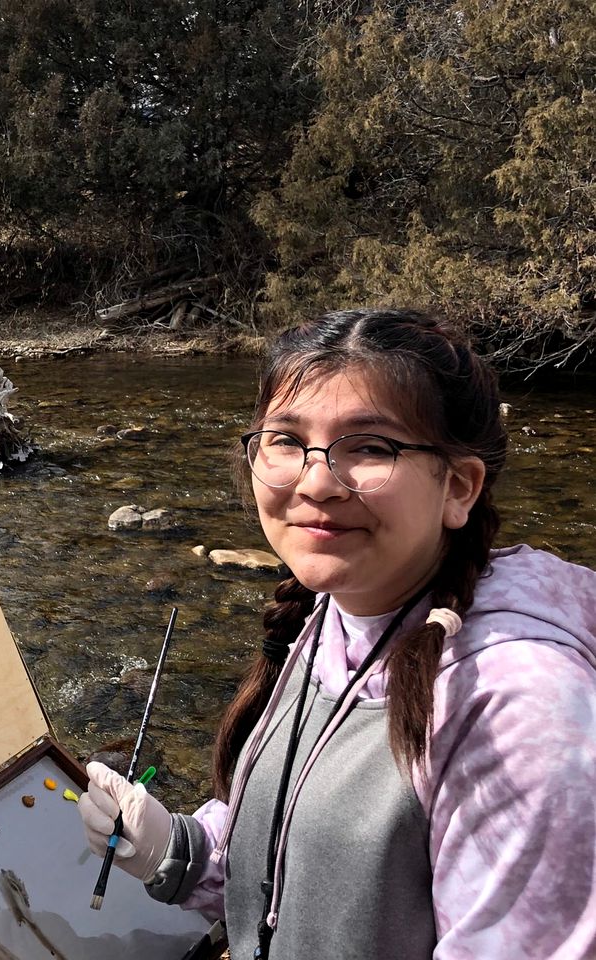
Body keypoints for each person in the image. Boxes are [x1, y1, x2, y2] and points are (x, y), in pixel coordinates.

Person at [78, 308, 596, 959]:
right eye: (288, 441)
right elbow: (297, 853)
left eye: (372, 447)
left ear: (459, 487)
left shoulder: (519, 712)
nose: (317, 482)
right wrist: (174, 850)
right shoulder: (341, 604)